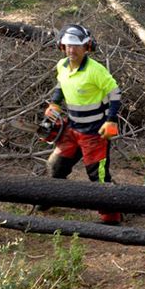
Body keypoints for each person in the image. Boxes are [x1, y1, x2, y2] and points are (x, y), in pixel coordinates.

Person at [41, 24, 122, 224]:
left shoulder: (96, 71)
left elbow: (115, 93)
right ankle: (48, 197)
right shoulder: (62, 66)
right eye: (68, 46)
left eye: (76, 46)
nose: (72, 50)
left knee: (98, 175)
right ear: (62, 47)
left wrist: (111, 120)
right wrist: (54, 103)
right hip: (72, 128)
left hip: (95, 133)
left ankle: (112, 216)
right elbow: (61, 84)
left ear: (87, 47)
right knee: (55, 166)